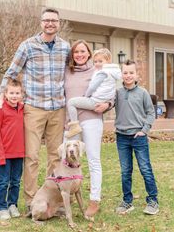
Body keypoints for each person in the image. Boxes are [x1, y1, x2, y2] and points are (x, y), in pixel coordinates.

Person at [0, 8, 70, 213]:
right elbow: (12, 71)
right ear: (41, 23)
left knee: (55, 156)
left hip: (58, 109)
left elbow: (72, 74)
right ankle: (31, 201)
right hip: (34, 107)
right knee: (32, 156)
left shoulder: (65, 47)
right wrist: (1, 96)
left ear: (59, 23)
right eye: (47, 20)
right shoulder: (27, 46)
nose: (50, 23)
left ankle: (53, 200)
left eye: (54, 20)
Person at [64, 40, 111, 218]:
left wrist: (107, 104)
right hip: (71, 123)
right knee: (68, 161)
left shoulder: (98, 70)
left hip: (91, 121)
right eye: (76, 52)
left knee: (93, 160)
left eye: (83, 51)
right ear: (72, 55)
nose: (79, 55)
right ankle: (66, 197)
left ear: (89, 53)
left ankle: (94, 200)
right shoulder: (67, 72)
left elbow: (111, 92)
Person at [114, 60, 159, 215]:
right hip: (121, 137)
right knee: (125, 171)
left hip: (138, 137)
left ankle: (153, 201)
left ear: (136, 74)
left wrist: (144, 130)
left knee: (145, 169)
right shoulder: (117, 93)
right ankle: (127, 201)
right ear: (121, 75)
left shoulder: (143, 93)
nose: (128, 75)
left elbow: (151, 112)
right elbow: (105, 104)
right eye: (125, 72)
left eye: (131, 72)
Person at [65, 48, 121, 138]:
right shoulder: (113, 73)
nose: (97, 64)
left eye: (100, 61)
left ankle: (74, 125)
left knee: (71, 102)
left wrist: (86, 95)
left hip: (95, 101)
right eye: (95, 61)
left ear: (108, 61)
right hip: (101, 99)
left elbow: (92, 87)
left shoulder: (102, 73)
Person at [0, 79, 25, 220]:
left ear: (21, 94)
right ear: (5, 94)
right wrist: (0, 154)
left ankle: (13, 204)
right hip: (5, 153)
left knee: (16, 181)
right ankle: (2, 207)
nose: (14, 96)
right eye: (11, 93)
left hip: (19, 153)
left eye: (17, 93)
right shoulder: (0, 109)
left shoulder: (23, 108)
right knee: (3, 182)